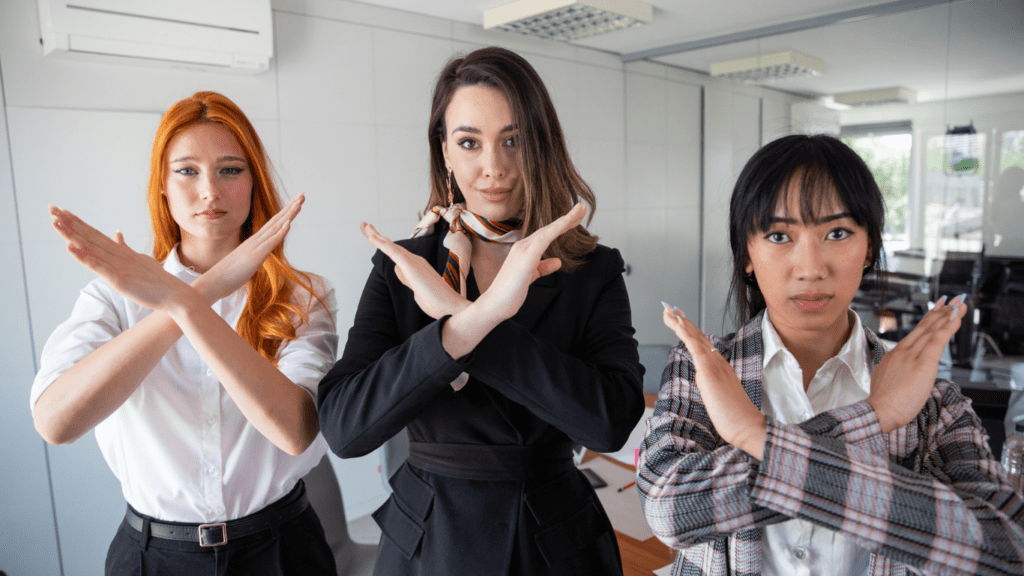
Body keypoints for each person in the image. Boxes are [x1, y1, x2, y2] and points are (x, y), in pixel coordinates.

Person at [316, 47, 645, 575]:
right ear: (445, 151)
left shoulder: (590, 267)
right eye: (470, 142)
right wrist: (461, 327)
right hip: (428, 539)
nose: (494, 168)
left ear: (541, 146)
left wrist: (463, 319)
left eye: (513, 140)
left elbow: (609, 423)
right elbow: (345, 428)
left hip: (551, 541)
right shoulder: (405, 266)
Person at [638, 134, 1024, 576]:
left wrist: (755, 435)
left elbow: (1005, 547)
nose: (810, 268)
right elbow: (668, 510)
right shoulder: (702, 367)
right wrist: (873, 419)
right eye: (779, 235)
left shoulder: (934, 402)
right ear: (747, 253)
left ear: (870, 248)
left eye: (837, 233)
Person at [31, 91, 339, 575]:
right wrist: (201, 292)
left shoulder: (304, 296)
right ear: (162, 187)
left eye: (230, 170)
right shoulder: (111, 297)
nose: (210, 192)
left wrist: (184, 299)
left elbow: (296, 431)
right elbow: (55, 423)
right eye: (187, 171)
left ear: (254, 181)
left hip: (281, 549)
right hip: (153, 556)